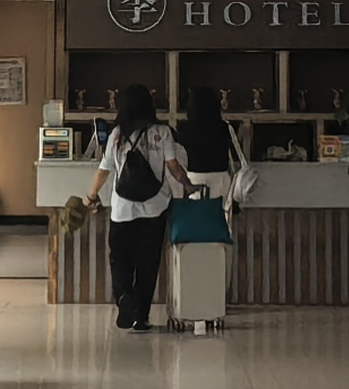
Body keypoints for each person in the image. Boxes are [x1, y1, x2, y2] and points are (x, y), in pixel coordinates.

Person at [96, 82, 182, 333]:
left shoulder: (117, 134)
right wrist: (188, 185)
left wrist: (90, 196)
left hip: (122, 209)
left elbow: (104, 170)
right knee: (147, 263)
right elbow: (173, 166)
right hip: (155, 208)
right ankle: (141, 316)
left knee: (120, 259)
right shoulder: (163, 132)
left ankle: (124, 295)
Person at [171, 85, 243, 333]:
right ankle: (219, 295)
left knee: (193, 239)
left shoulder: (183, 129)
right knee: (219, 239)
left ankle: (192, 292)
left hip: (193, 182)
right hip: (222, 183)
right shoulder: (224, 128)